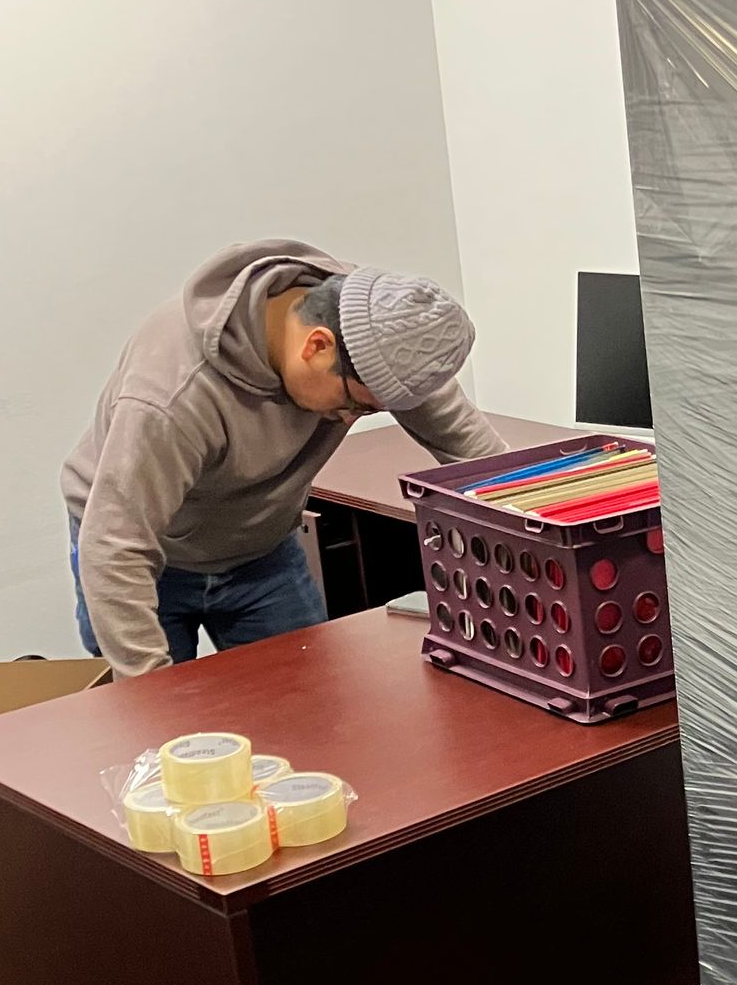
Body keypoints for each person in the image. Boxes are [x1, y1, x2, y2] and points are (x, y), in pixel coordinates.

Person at [63, 239, 505, 678]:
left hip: (259, 548)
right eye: (358, 407)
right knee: (156, 721)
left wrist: (536, 516)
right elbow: (115, 547)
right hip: (143, 556)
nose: (350, 418)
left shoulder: (375, 329)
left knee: (306, 708)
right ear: (316, 346)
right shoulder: (174, 395)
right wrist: (147, 695)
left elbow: (479, 456)